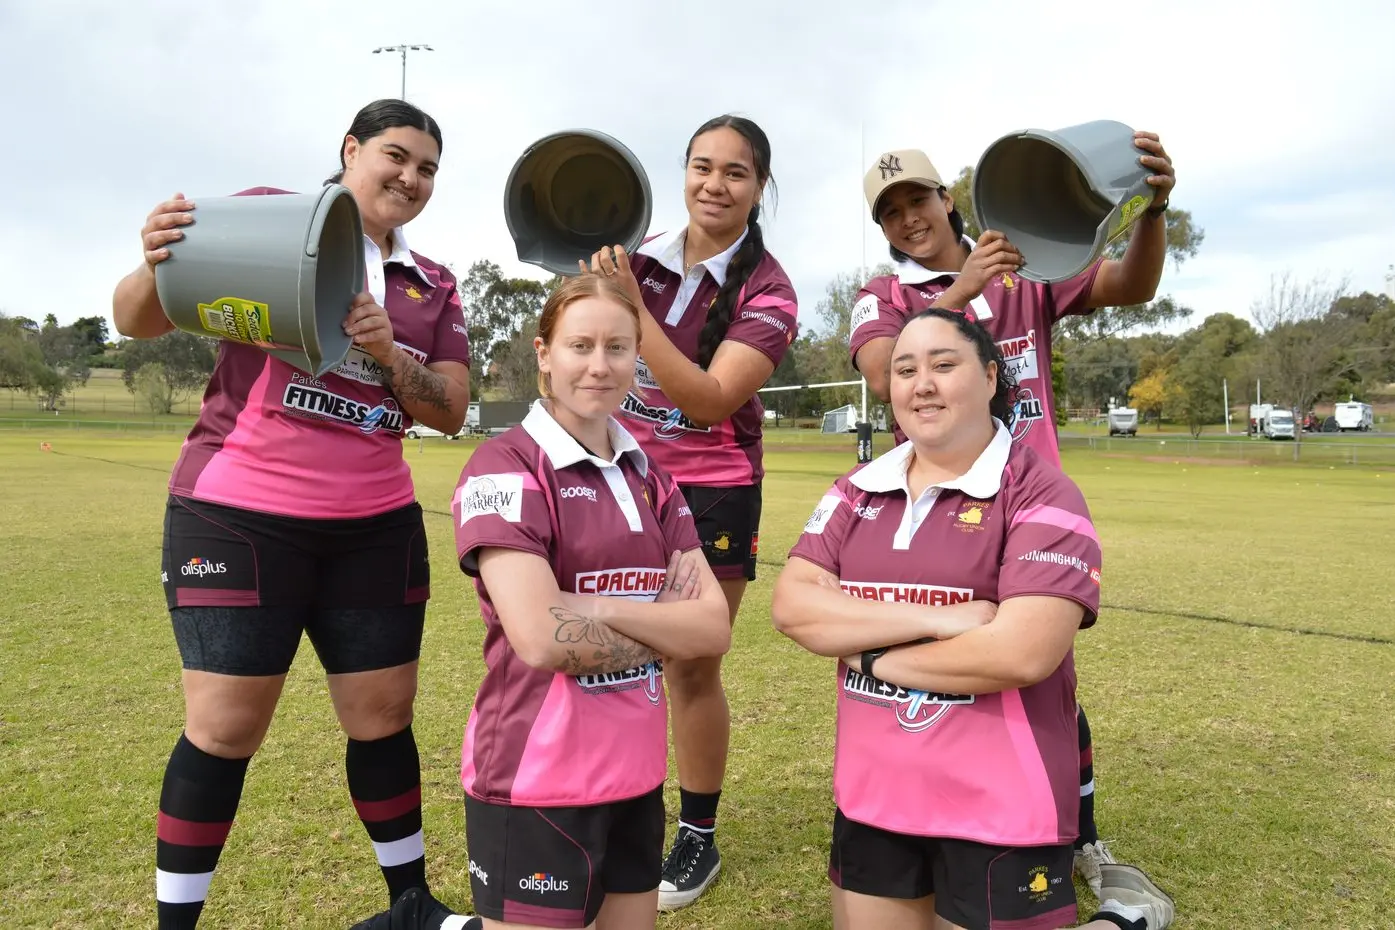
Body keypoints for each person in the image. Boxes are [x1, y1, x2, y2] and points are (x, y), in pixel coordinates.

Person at [113, 99, 472, 928]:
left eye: (427, 170)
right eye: (396, 156)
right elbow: (137, 318)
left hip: (375, 524)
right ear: (350, 150)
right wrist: (153, 258)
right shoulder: (276, 218)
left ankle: (409, 906)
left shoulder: (432, 285)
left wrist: (387, 354)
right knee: (225, 727)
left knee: (382, 718)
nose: (410, 179)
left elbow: (449, 410)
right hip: (241, 514)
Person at [772, 308, 1175, 930]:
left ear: (991, 376)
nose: (921, 384)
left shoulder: (1042, 492)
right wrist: (943, 620)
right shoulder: (857, 488)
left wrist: (872, 654)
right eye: (905, 369)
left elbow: (1020, 653)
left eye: (943, 364)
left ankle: (1125, 921)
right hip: (873, 796)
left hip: (1001, 804)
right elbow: (794, 607)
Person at [848, 135, 1177, 896]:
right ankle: (928, 827)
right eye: (890, 212)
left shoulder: (1021, 271)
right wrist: (958, 291)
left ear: (948, 200)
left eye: (917, 201)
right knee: (936, 673)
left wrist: (1151, 209)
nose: (907, 219)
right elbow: (881, 366)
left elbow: (1130, 286)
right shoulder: (884, 293)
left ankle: (1078, 839)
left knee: (1047, 685)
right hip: (935, 516)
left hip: (1031, 509)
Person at [443, 274, 731, 930]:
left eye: (617, 347)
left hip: (635, 776)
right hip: (536, 780)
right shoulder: (504, 467)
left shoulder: (650, 475)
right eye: (579, 346)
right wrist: (665, 625)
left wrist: (592, 609)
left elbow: (711, 627)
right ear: (544, 353)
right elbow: (543, 641)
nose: (599, 366)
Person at [579, 114, 798, 911]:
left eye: (734, 173)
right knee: (605, 650)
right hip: (617, 479)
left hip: (711, 493)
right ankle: (609, 806)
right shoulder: (636, 259)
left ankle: (696, 837)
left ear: (758, 188)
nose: (714, 184)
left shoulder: (769, 290)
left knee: (689, 664)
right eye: (700, 167)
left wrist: (631, 308)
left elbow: (708, 402)